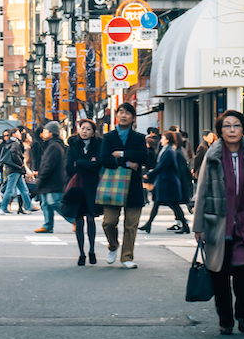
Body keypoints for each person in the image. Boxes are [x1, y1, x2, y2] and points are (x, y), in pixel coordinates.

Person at [193, 110, 244, 334]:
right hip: (218, 224)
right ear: (220, 131)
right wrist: (198, 226)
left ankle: (242, 313)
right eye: (227, 126)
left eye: (236, 125)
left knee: (242, 272)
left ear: (243, 129)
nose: (232, 130)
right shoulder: (213, 156)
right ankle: (225, 319)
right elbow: (203, 191)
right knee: (219, 275)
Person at [98, 102, 150, 269]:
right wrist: (128, 163)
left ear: (133, 117)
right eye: (120, 112)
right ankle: (113, 245)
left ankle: (127, 257)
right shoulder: (108, 137)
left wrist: (121, 154)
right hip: (112, 184)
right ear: (116, 115)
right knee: (108, 222)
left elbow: (144, 157)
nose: (123, 115)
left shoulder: (139, 138)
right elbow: (104, 158)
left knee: (131, 224)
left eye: (127, 113)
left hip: (133, 186)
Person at [65, 118, 102, 264]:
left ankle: (92, 250)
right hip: (77, 187)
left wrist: (79, 162)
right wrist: (86, 163)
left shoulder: (99, 145)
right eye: (82, 128)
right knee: (78, 219)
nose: (84, 131)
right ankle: (81, 253)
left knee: (91, 218)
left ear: (93, 132)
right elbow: (68, 167)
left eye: (88, 129)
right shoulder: (72, 145)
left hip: (93, 186)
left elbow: (98, 164)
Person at [141, 130, 189, 234]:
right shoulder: (168, 150)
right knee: (159, 203)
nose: (161, 140)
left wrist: (149, 174)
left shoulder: (169, 151)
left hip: (168, 182)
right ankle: (148, 224)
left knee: (173, 204)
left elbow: (162, 166)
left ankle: (185, 225)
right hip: (165, 181)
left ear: (167, 139)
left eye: (162, 138)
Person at [33, 121, 68, 233]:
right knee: (45, 203)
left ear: (51, 133)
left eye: (46, 131)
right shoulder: (51, 144)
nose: (43, 133)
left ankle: (73, 219)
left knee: (54, 202)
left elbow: (48, 164)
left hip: (52, 180)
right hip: (48, 180)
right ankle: (48, 225)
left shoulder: (54, 146)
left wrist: (41, 176)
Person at [0, 128, 34, 214]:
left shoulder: (10, 142)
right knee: (10, 190)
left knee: (23, 189)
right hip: (14, 169)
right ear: (13, 134)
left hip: (14, 169)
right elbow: (14, 153)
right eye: (18, 133)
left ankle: (29, 206)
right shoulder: (15, 143)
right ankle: (3, 207)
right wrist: (20, 162)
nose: (20, 134)